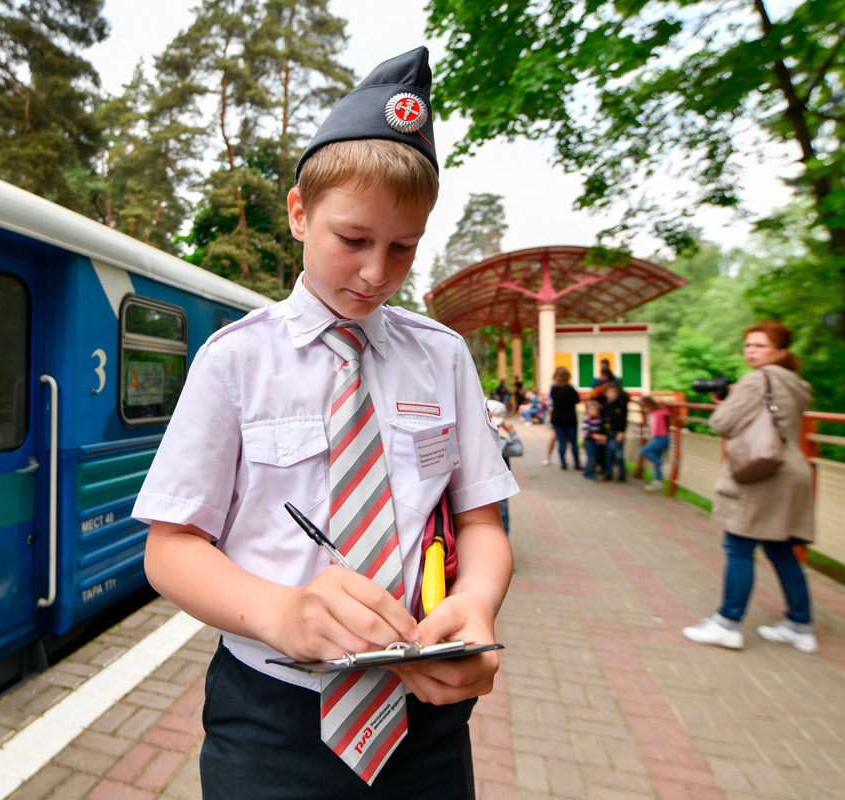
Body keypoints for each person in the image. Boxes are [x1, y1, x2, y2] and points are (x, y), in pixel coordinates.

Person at [134, 48, 518, 799]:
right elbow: (170, 549)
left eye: (403, 247)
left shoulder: (442, 359)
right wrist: (282, 614)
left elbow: (481, 523)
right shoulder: (234, 362)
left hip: (428, 719)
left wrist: (476, 603)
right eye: (354, 240)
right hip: (272, 721)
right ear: (299, 213)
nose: (378, 273)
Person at [682, 322, 817, 654]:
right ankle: (800, 625)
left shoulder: (757, 379)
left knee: (739, 547)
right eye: (748, 345)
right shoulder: (797, 383)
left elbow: (722, 423)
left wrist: (723, 402)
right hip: (792, 469)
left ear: (780, 352)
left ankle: (727, 624)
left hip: (762, 472)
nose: (751, 351)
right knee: (781, 550)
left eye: (760, 345)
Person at [487, 400, 523, 534]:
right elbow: (519, 450)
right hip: (500, 488)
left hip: (483, 487)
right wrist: (512, 432)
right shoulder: (502, 444)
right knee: (502, 520)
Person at [548, 366, 581, 470]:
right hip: (570, 418)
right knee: (573, 442)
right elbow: (577, 400)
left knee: (562, 442)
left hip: (558, 418)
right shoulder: (571, 389)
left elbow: (552, 402)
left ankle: (563, 463)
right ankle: (576, 463)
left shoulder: (554, 389)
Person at [638, 396, 671, 491]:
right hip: (657, 437)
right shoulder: (651, 414)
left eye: (645, 407)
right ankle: (658, 481)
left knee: (644, 451)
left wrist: (664, 403)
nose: (644, 410)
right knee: (656, 456)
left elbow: (669, 412)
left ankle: (661, 465)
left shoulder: (659, 412)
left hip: (662, 438)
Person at [600, 382, 628, 481]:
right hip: (608, 433)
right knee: (608, 454)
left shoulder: (620, 405)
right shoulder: (605, 406)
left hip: (617, 432)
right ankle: (608, 472)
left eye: (614, 392)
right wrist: (602, 434)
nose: (612, 394)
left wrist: (621, 431)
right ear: (606, 394)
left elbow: (623, 420)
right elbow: (602, 421)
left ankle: (622, 474)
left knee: (618, 454)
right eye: (610, 392)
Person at [580, 398, 605, 480]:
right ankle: (588, 473)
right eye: (592, 409)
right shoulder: (587, 418)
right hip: (589, 440)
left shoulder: (598, 418)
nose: (594, 411)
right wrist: (594, 435)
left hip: (596, 440)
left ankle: (589, 470)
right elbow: (585, 430)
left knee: (595, 456)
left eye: (595, 409)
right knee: (591, 457)